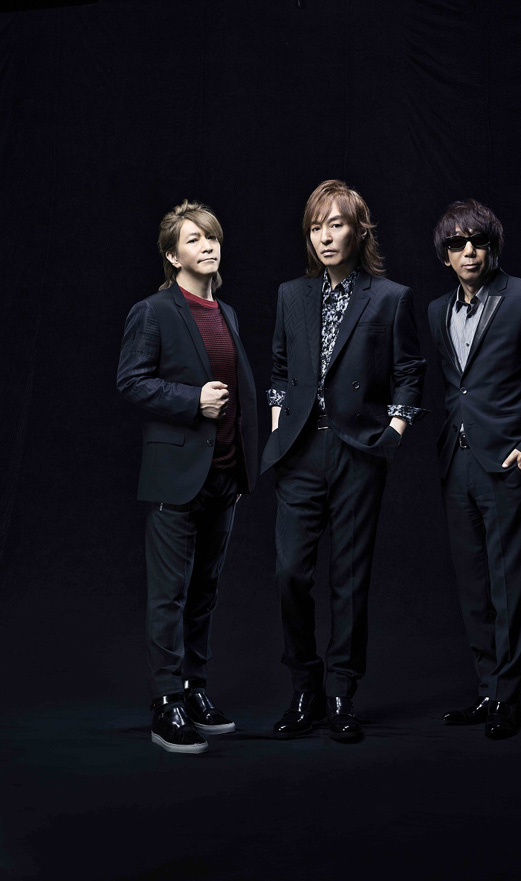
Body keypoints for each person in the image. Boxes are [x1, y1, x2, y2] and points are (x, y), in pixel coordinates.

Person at [262, 179, 426, 743]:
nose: (325, 236)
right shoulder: (291, 295)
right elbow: (279, 367)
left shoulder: (391, 297)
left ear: (360, 230)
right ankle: (304, 687)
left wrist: (393, 434)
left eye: (335, 224)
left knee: (349, 579)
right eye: (316, 227)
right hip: (300, 451)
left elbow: (409, 371)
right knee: (290, 572)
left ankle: (341, 692)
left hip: (359, 450)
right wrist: (280, 429)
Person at [117, 200, 258, 753]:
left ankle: (195, 691)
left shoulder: (227, 314)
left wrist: (244, 461)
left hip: (223, 475)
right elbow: (131, 380)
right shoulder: (152, 312)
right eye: (194, 239)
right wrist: (192, 400)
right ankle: (165, 702)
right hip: (175, 478)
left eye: (212, 237)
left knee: (204, 593)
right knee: (169, 595)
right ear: (173, 255)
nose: (207, 245)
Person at [427, 199, 521, 739]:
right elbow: (456, 388)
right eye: (457, 244)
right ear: (445, 255)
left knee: (508, 585)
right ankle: (487, 691)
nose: (468, 252)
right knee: (473, 585)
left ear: (492, 247)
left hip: (505, 462)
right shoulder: (437, 310)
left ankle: (507, 697)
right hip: (456, 461)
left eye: (477, 241)